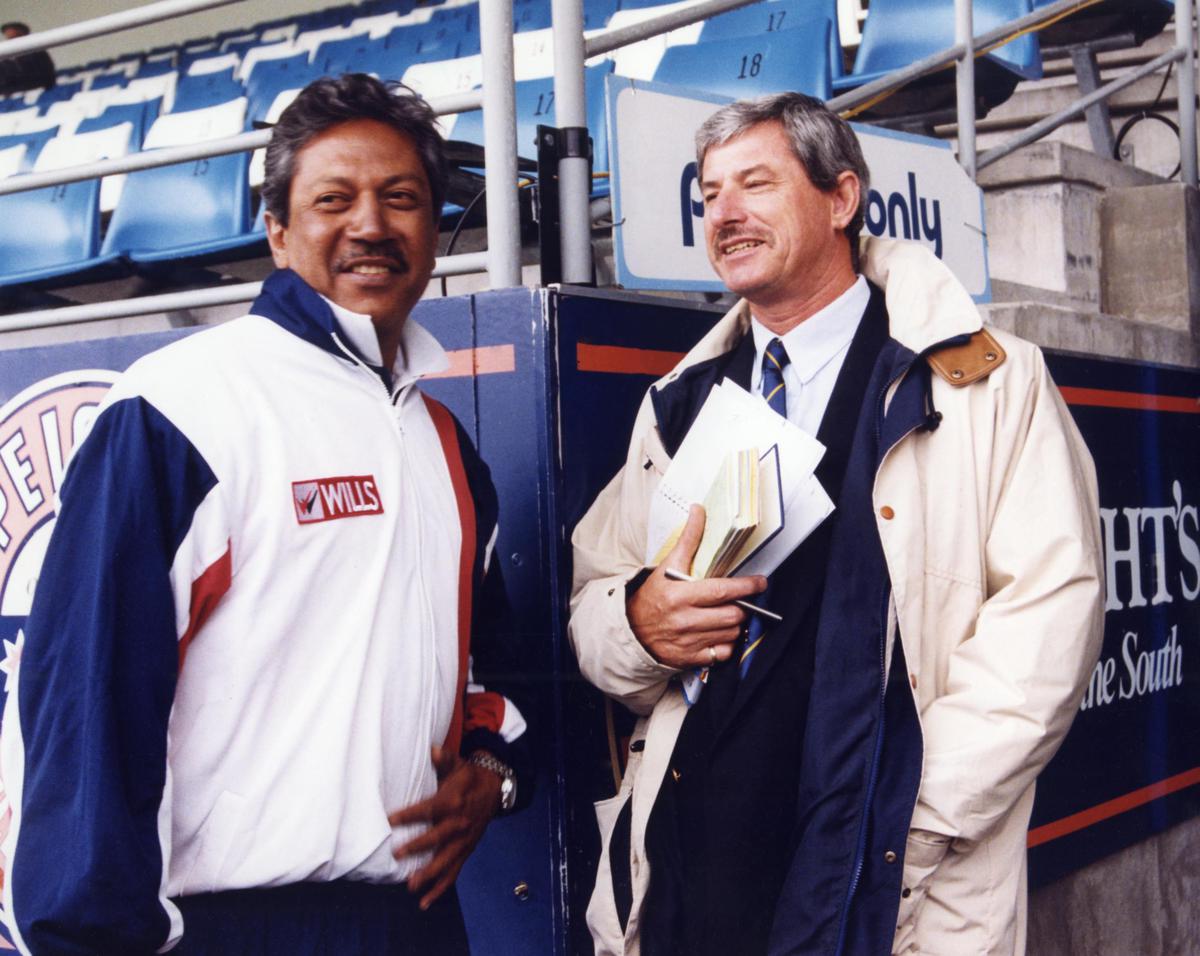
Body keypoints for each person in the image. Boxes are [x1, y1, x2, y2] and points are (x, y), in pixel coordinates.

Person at [0, 74, 531, 955]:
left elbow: (496, 662)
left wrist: (493, 769)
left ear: (434, 232)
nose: (370, 224)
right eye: (334, 199)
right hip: (226, 925)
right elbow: (90, 698)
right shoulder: (180, 407)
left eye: (401, 199)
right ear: (280, 235)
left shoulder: (441, 438)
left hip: (416, 920)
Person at [569, 92, 1104, 956]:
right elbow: (594, 599)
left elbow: (1051, 618)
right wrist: (638, 623)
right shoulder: (679, 403)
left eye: (755, 183)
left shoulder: (990, 384)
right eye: (709, 194)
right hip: (691, 881)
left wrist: (913, 815)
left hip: (874, 875)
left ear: (841, 199)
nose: (725, 214)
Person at [0, 23, 55, 97]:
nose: (10, 40)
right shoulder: (5, 58)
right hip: (11, 96)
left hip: (36, 93)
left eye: (13, 37)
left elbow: (46, 77)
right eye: (8, 37)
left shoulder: (37, 52)